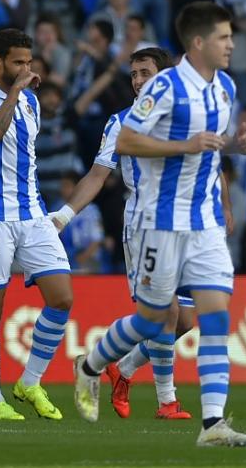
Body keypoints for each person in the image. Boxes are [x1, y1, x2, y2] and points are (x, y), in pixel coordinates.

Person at [72, 2, 246, 447]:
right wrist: (186, 143)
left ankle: (213, 425)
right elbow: (130, 140)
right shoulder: (165, 88)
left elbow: (209, 152)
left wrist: (234, 146)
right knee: (155, 318)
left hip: (205, 221)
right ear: (198, 42)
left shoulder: (225, 87)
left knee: (212, 316)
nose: (231, 44)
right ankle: (91, 365)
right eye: (224, 37)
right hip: (158, 218)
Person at [50, 46, 194, 420]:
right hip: (145, 224)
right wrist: (65, 215)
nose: (138, 81)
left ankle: (121, 368)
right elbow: (97, 175)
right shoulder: (122, 123)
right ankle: (167, 402)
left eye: (145, 72)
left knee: (185, 322)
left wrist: (223, 207)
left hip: (186, 224)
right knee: (165, 313)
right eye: (134, 74)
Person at [0, 28, 73, 422]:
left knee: (62, 298)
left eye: (29, 62)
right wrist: (15, 93)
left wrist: (22, 93)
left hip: (32, 213)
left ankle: (30, 381)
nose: (26, 69)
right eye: (18, 63)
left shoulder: (32, 104)